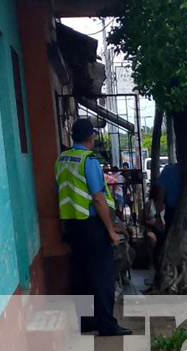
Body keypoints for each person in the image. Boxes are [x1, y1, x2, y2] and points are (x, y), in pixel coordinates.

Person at [55, 118, 131, 336]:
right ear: (91, 137)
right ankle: (107, 324)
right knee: (102, 275)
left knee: (80, 274)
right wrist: (110, 231)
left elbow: (59, 192)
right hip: (91, 225)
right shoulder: (88, 160)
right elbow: (98, 198)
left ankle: (87, 321)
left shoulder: (61, 160)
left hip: (71, 226)